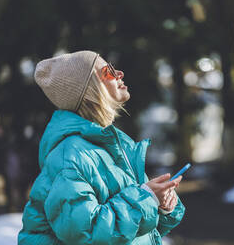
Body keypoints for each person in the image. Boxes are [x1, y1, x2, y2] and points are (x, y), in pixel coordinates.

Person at [18, 51, 185, 245]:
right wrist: (145, 199)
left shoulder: (109, 145)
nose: (120, 73)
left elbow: (130, 233)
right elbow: (85, 232)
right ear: (89, 88)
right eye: (109, 71)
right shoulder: (71, 154)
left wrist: (160, 206)